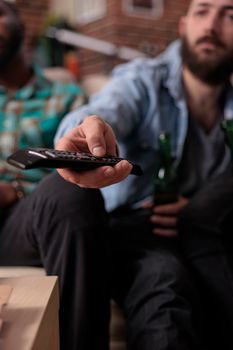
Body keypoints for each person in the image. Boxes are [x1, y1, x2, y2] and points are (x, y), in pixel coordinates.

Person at [54, 0, 233, 349]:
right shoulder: (144, 81)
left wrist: (199, 206)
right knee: (163, 284)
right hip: (136, 228)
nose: (211, 25)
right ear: (182, 28)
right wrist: (87, 130)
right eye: (202, 11)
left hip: (208, 232)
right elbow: (104, 111)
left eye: (230, 15)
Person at [0, 2, 110, 350]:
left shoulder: (67, 96)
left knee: (71, 192)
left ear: (23, 28)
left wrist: (11, 192)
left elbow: (79, 162)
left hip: (29, 223)